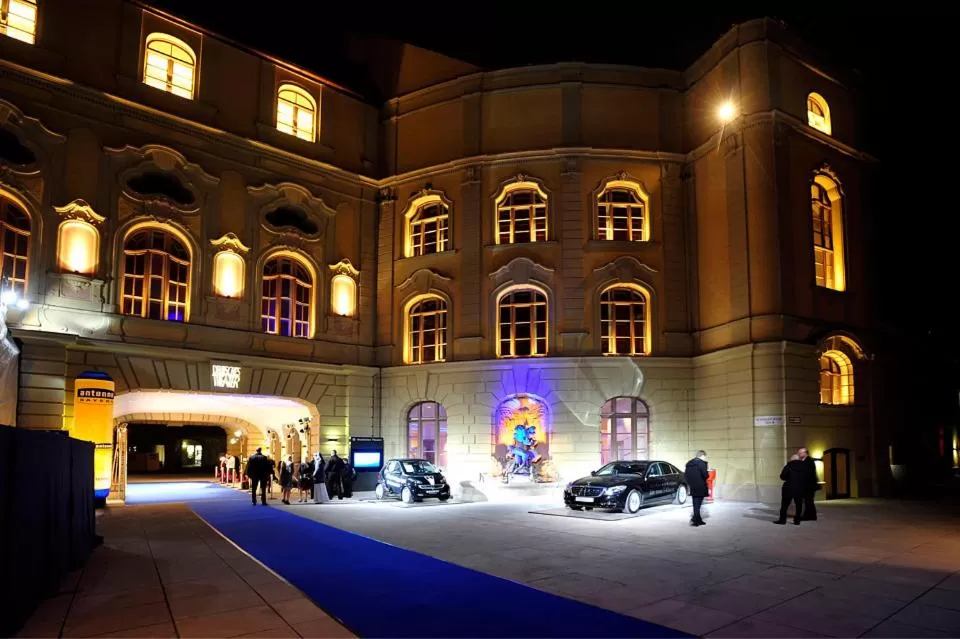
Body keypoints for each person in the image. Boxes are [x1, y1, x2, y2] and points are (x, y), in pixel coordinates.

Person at [774, 454, 804, 525]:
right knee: (799, 505)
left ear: (792, 459)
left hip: (788, 488)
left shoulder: (788, 466)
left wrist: (788, 478)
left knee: (784, 505)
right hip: (799, 488)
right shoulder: (803, 467)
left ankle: (782, 520)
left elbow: (782, 477)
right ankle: (797, 521)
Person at [684, 450, 709, 527]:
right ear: (702, 456)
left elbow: (686, 475)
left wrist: (691, 483)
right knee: (698, 505)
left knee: (695, 504)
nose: (705, 458)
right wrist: (707, 471)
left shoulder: (689, 463)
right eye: (705, 456)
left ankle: (698, 520)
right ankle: (695, 520)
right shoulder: (702, 464)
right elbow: (705, 475)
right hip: (701, 486)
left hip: (693, 486)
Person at [797, 447, 819, 521]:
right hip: (807, 485)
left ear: (805, 453)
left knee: (808, 501)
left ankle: (808, 516)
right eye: (798, 453)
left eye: (800, 453)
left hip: (809, 486)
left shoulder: (809, 461)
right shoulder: (805, 461)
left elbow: (807, 473)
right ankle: (812, 516)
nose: (799, 454)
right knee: (808, 501)